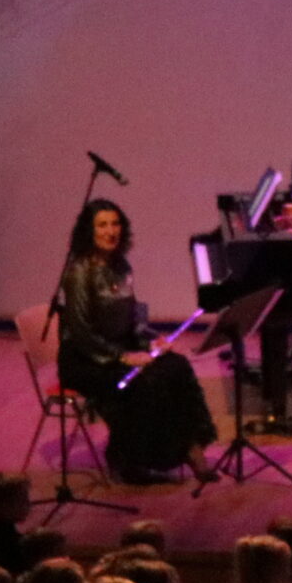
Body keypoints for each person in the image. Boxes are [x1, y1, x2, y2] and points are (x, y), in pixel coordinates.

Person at [54, 199, 217, 484]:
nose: (111, 231)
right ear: (88, 231)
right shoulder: (79, 272)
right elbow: (81, 333)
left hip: (119, 347)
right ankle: (129, 459)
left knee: (176, 366)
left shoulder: (121, 265)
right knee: (143, 382)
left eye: (115, 224)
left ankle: (190, 447)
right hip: (85, 359)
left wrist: (153, 340)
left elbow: (132, 319)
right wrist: (123, 357)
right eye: (102, 225)